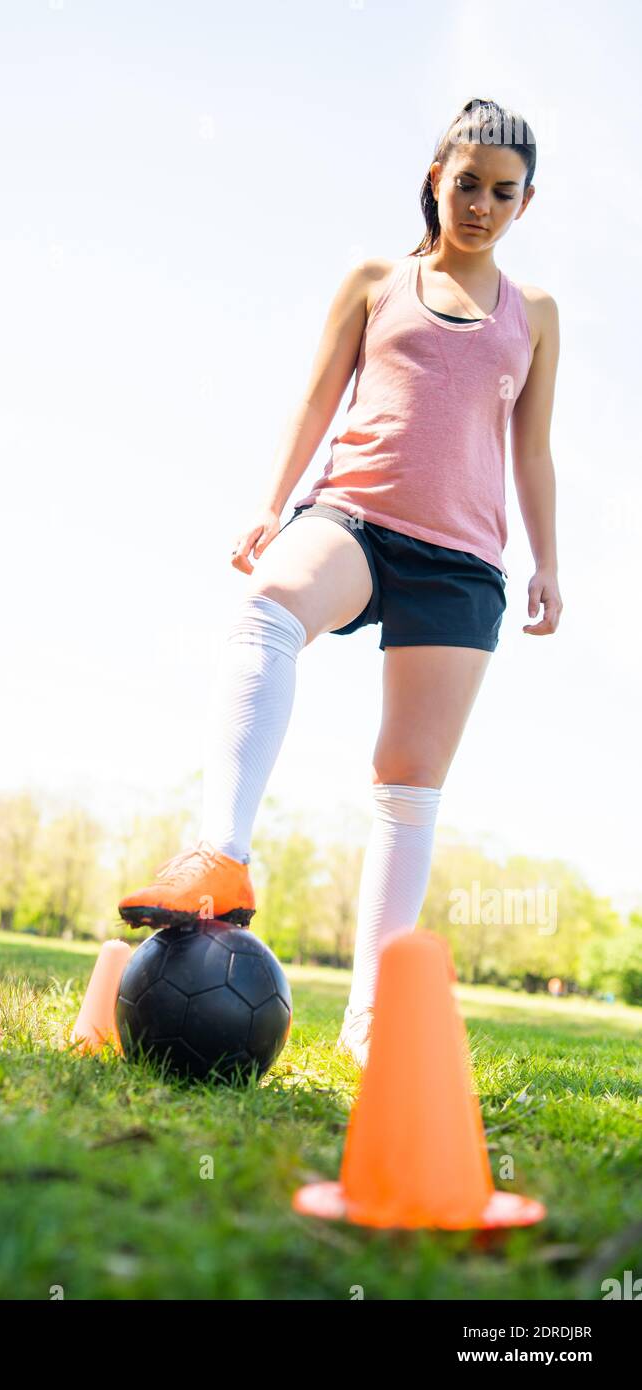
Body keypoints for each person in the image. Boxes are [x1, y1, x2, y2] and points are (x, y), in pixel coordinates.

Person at [117, 97, 562, 1069]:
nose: (480, 205)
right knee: (266, 607)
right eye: (465, 184)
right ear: (435, 179)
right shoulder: (375, 281)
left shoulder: (537, 317)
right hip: (355, 518)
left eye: (502, 192)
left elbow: (532, 449)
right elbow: (318, 396)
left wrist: (549, 562)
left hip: (465, 561)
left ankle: (371, 1029)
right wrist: (272, 505)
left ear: (525, 202)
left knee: (405, 785)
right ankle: (221, 854)